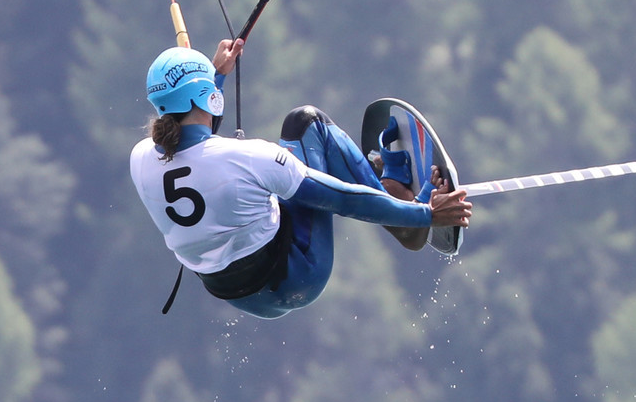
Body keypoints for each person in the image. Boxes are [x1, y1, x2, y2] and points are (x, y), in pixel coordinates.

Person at [129, 38, 471, 318]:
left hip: (243, 298)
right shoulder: (247, 157)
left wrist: (214, 75)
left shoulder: (141, 159)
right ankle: (401, 217)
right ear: (208, 97)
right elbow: (340, 199)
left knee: (264, 193)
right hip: (299, 276)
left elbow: (197, 140)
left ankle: (393, 199)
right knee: (306, 123)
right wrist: (425, 213)